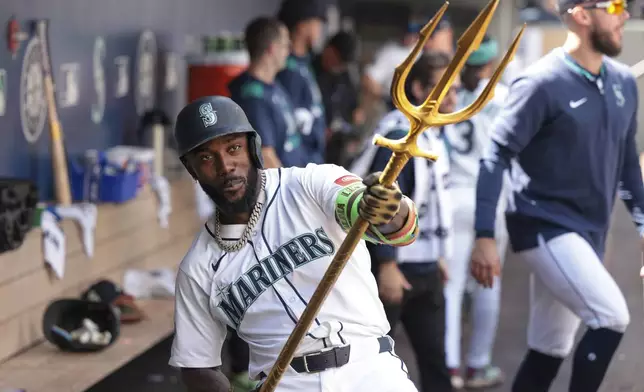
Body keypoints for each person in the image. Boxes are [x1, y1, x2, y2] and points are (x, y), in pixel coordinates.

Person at [169, 95, 421, 392]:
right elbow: (196, 367)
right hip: (287, 383)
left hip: (368, 369)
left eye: (234, 148)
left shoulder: (309, 184)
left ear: (253, 147)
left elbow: (364, 209)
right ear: (192, 169)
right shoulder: (198, 267)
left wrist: (386, 208)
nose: (226, 166)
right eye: (207, 158)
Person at [470, 1, 639, 391]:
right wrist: (483, 235)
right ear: (581, 14)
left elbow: (628, 164)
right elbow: (496, 156)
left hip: (589, 232)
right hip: (545, 226)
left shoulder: (623, 82)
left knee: (549, 348)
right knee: (610, 317)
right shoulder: (540, 82)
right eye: (615, 5)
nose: (625, 15)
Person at [350, 51, 457, 392]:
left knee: (435, 362)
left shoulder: (432, 135)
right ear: (418, 89)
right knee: (374, 366)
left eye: (453, 89)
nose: (454, 98)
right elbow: (380, 204)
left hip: (424, 266)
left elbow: (430, 204)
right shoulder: (400, 135)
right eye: (443, 89)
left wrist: (437, 253)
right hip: (396, 271)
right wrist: (386, 265)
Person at [441, 36, 509, 390]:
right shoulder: (500, 95)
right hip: (488, 202)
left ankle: (449, 368)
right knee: (488, 284)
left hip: (452, 196)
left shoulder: (451, 93)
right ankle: (477, 365)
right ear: (489, 63)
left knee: (451, 287)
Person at [229, 17, 306, 169]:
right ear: (272, 48)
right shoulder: (253, 98)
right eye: (285, 45)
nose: (288, 51)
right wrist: (292, 190)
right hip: (284, 189)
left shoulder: (273, 85)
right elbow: (266, 156)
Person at [358, 16, 453, 117]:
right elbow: (368, 78)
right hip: (393, 104)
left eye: (414, 32)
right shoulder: (391, 51)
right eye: (408, 31)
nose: (410, 36)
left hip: (418, 104)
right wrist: (384, 96)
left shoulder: (422, 51)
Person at [276, 0, 328, 164]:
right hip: (298, 166)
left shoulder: (304, 63)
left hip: (310, 162)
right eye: (317, 23)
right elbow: (289, 128)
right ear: (302, 25)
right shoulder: (288, 69)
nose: (320, 30)